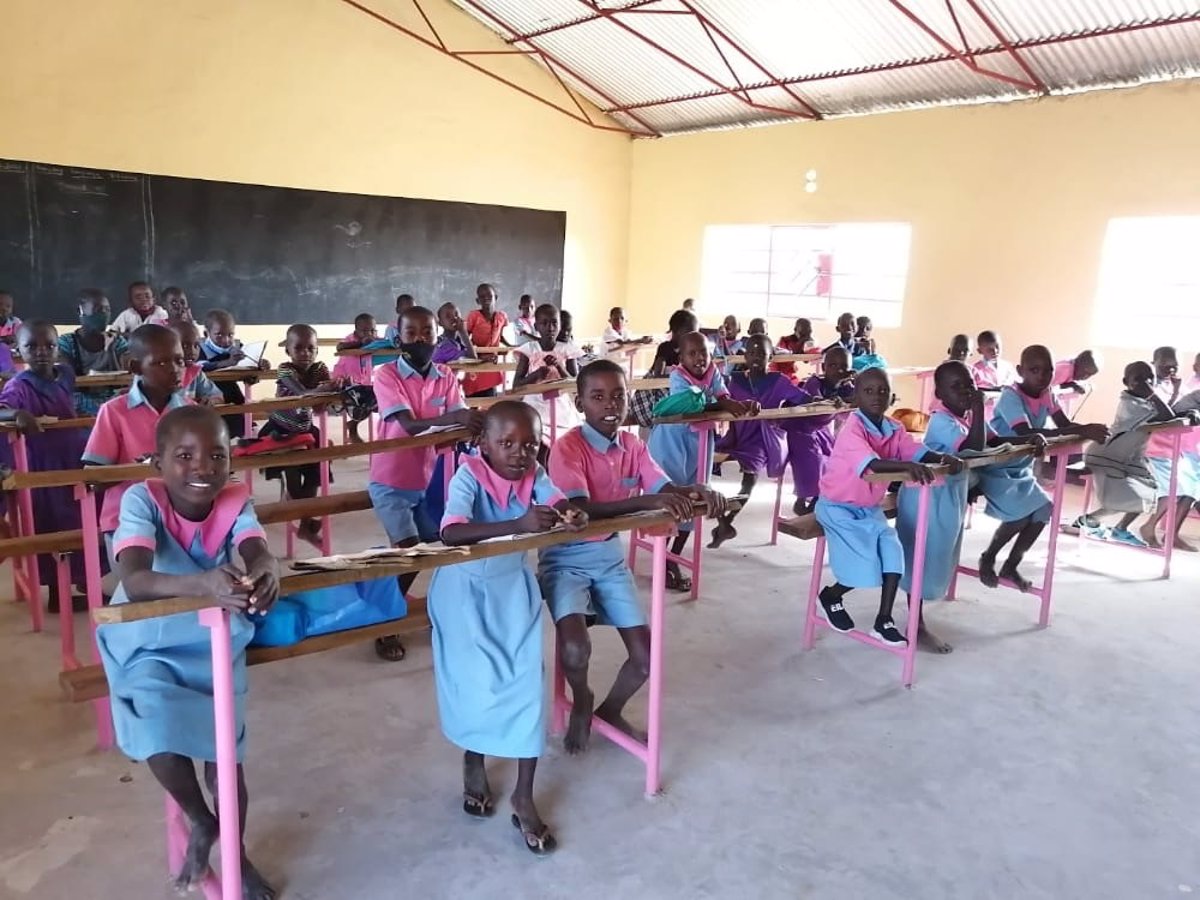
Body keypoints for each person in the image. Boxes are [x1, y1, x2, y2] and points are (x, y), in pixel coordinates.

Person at [95, 405, 279, 899]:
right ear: (157, 463)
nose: (202, 468)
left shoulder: (236, 499)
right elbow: (133, 581)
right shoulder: (141, 501)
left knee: (225, 758)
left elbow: (255, 548)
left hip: (211, 641)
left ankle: (236, 856)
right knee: (154, 725)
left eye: (216, 456)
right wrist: (202, 582)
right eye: (184, 456)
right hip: (148, 640)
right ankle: (200, 819)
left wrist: (267, 568)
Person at [542, 359, 727, 753]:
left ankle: (609, 710)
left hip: (609, 558)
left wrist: (696, 491)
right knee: (575, 649)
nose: (610, 405)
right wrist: (651, 499)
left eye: (618, 396)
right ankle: (581, 700)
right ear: (579, 404)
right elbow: (583, 509)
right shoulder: (566, 448)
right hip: (565, 559)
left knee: (645, 659)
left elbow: (663, 487)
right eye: (598, 397)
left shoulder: (633, 445)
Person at [430, 401, 587, 856]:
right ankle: (474, 757)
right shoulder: (469, 475)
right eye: (507, 443)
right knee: (477, 687)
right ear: (484, 444)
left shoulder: (532, 472)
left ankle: (523, 794)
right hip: (465, 595)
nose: (519, 453)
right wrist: (518, 524)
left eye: (530, 444)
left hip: (512, 593)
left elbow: (557, 500)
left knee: (525, 690)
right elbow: (450, 533)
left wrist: (571, 514)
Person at [896, 361, 1043, 654]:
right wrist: (978, 409)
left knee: (939, 559)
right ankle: (916, 625)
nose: (965, 391)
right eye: (956, 386)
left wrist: (1029, 438)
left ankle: (918, 621)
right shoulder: (943, 421)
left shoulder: (962, 417)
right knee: (922, 559)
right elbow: (974, 447)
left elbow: (994, 439)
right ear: (939, 392)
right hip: (926, 498)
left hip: (949, 497)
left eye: (969, 385)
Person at [368, 305, 484, 662]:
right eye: (411, 332)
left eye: (427, 333)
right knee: (408, 550)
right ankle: (382, 622)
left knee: (435, 547)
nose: (420, 339)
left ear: (438, 336)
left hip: (426, 478)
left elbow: (458, 422)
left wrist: (470, 426)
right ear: (397, 336)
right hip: (390, 481)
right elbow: (408, 425)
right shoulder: (386, 375)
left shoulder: (445, 375)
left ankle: (407, 603)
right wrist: (456, 418)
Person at [815, 367, 963, 646]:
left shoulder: (894, 428)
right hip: (838, 507)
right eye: (868, 391)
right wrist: (909, 466)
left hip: (869, 509)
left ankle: (884, 621)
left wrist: (942, 457)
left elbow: (915, 451)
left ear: (891, 397)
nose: (876, 396)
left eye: (883, 391)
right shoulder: (852, 429)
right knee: (868, 560)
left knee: (894, 553)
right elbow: (870, 464)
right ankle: (830, 596)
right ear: (856, 396)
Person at [979, 344, 1109, 589]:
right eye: (1034, 370)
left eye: (1047, 370)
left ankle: (1011, 565)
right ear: (1020, 370)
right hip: (996, 467)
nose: (1041, 376)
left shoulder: (1047, 393)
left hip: (1021, 469)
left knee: (1043, 510)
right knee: (1019, 516)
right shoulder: (1011, 396)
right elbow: (1026, 433)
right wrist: (1082, 429)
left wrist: (1086, 429)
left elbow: (1063, 423)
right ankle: (988, 557)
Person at [648, 331, 758, 590]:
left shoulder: (713, 372)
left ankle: (674, 556)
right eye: (692, 354)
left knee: (696, 500)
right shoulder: (677, 376)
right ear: (681, 356)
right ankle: (661, 559)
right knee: (671, 501)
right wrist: (726, 405)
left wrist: (739, 404)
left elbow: (722, 397)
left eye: (704, 353)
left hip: (700, 444)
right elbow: (693, 407)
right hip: (672, 445)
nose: (699, 358)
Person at [0, 321, 90, 610]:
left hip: (71, 456)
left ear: (57, 347)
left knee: (81, 520)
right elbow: (2, 409)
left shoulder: (64, 373)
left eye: (49, 346)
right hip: (42, 465)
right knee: (52, 523)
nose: (41, 352)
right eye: (31, 347)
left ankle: (84, 583)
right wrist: (19, 414)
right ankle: (56, 595)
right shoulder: (19, 385)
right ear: (19, 349)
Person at [83, 325, 191, 559]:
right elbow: (93, 479)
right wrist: (140, 468)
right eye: (161, 363)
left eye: (179, 360)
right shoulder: (114, 412)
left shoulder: (191, 412)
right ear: (135, 367)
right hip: (124, 520)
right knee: (141, 590)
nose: (175, 370)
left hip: (181, 517)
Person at [710, 335, 816, 547]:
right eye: (751, 353)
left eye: (762, 354)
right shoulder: (735, 380)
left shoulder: (778, 381)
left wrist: (827, 398)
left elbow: (804, 399)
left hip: (763, 439)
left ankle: (727, 521)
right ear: (745, 356)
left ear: (770, 357)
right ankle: (722, 517)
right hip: (736, 435)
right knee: (705, 464)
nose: (756, 357)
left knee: (748, 482)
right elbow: (718, 400)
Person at [1074, 361, 1177, 546]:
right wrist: (1152, 392)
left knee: (1152, 490)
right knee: (1133, 496)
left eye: (1150, 379)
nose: (1145, 383)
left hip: (1128, 458)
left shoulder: (1145, 401)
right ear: (1126, 382)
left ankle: (1113, 527)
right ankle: (1090, 521)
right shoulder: (1130, 403)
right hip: (1108, 455)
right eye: (1138, 379)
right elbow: (1168, 416)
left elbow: (1168, 413)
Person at [263, 324, 345, 548]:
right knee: (295, 482)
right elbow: (302, 395)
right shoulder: (285, 369)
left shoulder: (319, 369)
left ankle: (304, 524)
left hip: (306, 429)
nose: (305, 353)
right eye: (298, 348)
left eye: (311, 348)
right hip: (281, 430)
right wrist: (322, 392)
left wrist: (334, 390)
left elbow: (320, 408)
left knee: (316, 473)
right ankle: (300, 514)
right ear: (288, 350)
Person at [1140, 346, 1200, 550]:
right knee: (1175, 490)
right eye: (1165, 362)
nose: (1170, 367)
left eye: (1174, 363)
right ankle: (1147, 527)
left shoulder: (1178, 386)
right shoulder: (1152, 386)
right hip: (1160, 448)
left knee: (1187, 491)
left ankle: (1168, 533)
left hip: (1179, 447)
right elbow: (1168, 414)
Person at [784, 346, 855, 515]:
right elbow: (816, 402)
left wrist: (856, 380)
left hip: (819, 429)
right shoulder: (815, 382)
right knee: (810, 456)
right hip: (798, 426)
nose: (839, 370)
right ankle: (805, 497)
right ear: (823, 368)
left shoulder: (845, 386)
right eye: (832, 365)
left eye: (844, 367)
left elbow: (857, 396)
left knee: (834, 456)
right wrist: (832, 401)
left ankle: (821, 496)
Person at [513, 304, 582, 446]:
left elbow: (575, 383)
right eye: (544, 323)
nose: (550, 328)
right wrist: (537, 374)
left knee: (564, 444)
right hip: (535, 406)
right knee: (538, 444)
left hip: (561, 408)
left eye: (554, 323)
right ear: (536, 326)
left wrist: (559, 366)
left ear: (560, 325)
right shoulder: (529, 350)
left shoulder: (567, 350)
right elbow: (516, 384)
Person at [58, 289, 130, 415]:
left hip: (112, 398)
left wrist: (110, 351)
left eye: (107, 310)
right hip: (82, 398)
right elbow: (71, 382)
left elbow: (122, 383)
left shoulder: (117, 341)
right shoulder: (67, 342)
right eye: (98, 310)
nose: (104, 314)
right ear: (80, 311)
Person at [199, 309, 269, 439]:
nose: (226, 340)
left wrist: (257, 366)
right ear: (206, 333)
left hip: (232, 391)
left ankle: (248, 431)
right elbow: (200, 366)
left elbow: (245, 367)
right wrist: (227, 362)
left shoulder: (237, 347)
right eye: (219, 335)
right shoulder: (199, 348)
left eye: (230, 335)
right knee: (221, 423)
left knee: (241, 411)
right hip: (210, 394)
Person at [332, 313, 379, 444]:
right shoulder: (350, 340)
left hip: (363, 382)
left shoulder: (374, 342)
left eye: (373, 330)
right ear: (356, 332)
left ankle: (353, 424)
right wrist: (359, 343)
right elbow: (339, 347)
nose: (369, 334)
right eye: (365, 331)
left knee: (377, 396)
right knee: (365, 400)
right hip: (344, 381)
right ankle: (352, 427)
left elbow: (387, 344)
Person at [462, 284, 510, 397]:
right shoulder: (474, 316)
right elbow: (465, 337)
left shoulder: (502, 317)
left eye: (489, 295)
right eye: (482, 296)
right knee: (473, 394)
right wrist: (474, 354)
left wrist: (509, 346)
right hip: (476, 360)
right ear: (478, 300)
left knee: (490, 396)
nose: (486, 298)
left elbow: (500, 336)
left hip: (492, 361)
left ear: (496, 297)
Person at [171, 321, 223, 405]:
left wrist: (210, 400)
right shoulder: (161, 374)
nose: (192, 351)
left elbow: (217, 396)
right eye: (184, 345)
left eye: (196, 345)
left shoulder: (195, 372)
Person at [772, 317, 815, 383]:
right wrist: (800, 342)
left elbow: (806, 360)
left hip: (790, 376)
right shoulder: (785, 340)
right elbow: (782, 357)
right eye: (802, 334)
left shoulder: (808, 341)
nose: (805, 336)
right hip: (777, 373)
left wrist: (808, 344)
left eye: (808, 333)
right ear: (795, 330)